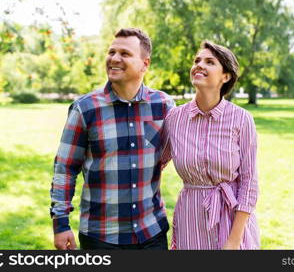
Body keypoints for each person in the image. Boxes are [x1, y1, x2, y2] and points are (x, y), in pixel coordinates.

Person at [50, 28, 175, 250]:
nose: (114, 58)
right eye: (111, 52)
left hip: (152, 233)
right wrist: (61, 224)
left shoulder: (164, 106)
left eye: (125, 54)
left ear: (145, 64)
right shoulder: (85, 108)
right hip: (101, 238)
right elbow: (65, 169)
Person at [161, 41, 260, 250]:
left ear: (226, 77)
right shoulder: (175, 118)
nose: (199, 65)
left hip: (232, 218)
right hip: (191, 218)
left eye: (209, 62)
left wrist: (234, 240)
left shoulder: (241, 119)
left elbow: (249, 182)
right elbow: (156, 163)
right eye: (197, 60)